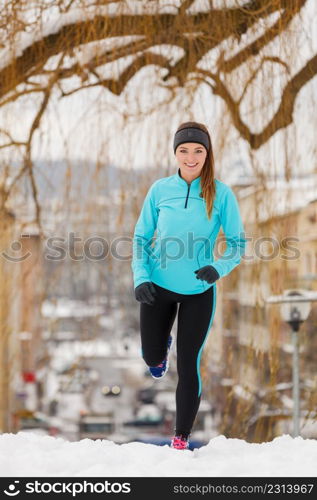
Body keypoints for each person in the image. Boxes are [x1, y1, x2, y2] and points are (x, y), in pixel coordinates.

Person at [131, 121, 246, 450]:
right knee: (152, 359)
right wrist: (141, 277)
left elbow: (237, 243)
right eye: (184, 150)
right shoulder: (159, 190)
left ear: (207, 154)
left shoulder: (221, 194)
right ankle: (158, 351)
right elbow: (141, 238)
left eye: (198, 150)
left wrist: (218, 267)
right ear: (175, 154)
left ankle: (181, 437)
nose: (191, 157)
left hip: (198, 290)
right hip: (157, 285)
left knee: (189, 362)